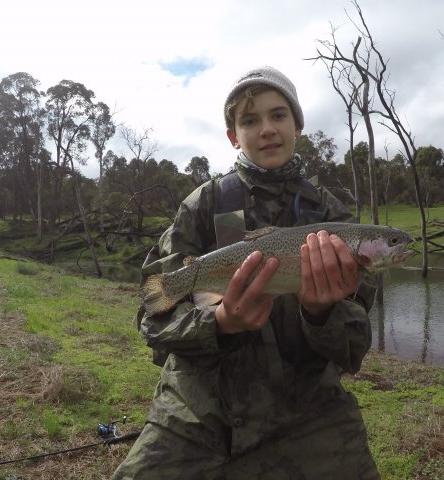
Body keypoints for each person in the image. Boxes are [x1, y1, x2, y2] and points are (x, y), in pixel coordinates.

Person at [111, 66, 381, 480]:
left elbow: (352, 349)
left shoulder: (333, 219)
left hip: (307, 414)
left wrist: (321, 312)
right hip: (197, 413)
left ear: (298, 126)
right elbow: (153, 319)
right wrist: (220, 321)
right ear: (233, 136)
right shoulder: (203, 205)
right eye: (250, 120)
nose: (267, 129)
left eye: (278, 115)